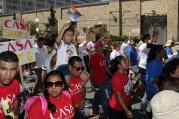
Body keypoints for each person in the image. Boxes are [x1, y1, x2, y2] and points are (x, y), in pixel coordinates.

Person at [140, 45, 164, 113]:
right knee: (155, 105)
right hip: (153, 88)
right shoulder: (155, 63)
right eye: (163, 52)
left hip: (150, 86)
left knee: (146, 97)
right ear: (158, 53)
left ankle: (142, 109)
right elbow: (153, 79)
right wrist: (159, 91)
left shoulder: (156, 61)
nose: (164, 53)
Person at [89, 40, 108, 118]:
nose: (101, 48)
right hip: (97, 81)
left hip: (104, 80)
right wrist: (92, 85)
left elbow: (105, 68)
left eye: (102, 47)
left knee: (97, 95)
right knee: (105, 97)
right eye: (99, 47)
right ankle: (107, 114)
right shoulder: (93, 58)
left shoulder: (102, 56)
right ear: (96, 49)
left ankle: (94, 110)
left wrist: (112, 75)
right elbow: (91, 73)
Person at [0, 51, 21, 119]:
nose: (8, 75)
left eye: (12, 69)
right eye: (3, 69)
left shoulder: (15, 83)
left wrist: (15, 115)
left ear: (17, 70)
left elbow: (15, 104)